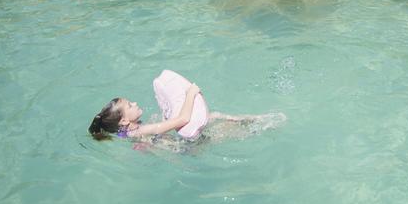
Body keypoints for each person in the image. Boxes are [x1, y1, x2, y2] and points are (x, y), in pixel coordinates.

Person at [88, 81, 284, 144]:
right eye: (130, 105)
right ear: (123, 121)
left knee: (213, 116)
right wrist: (191, 93)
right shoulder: (141, 131)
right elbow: (183, 118)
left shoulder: (131, 131)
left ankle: (255, 119)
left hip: (174, 141)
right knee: (221, 129)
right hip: (186, 148)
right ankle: (262, 126)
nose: (135, 103)